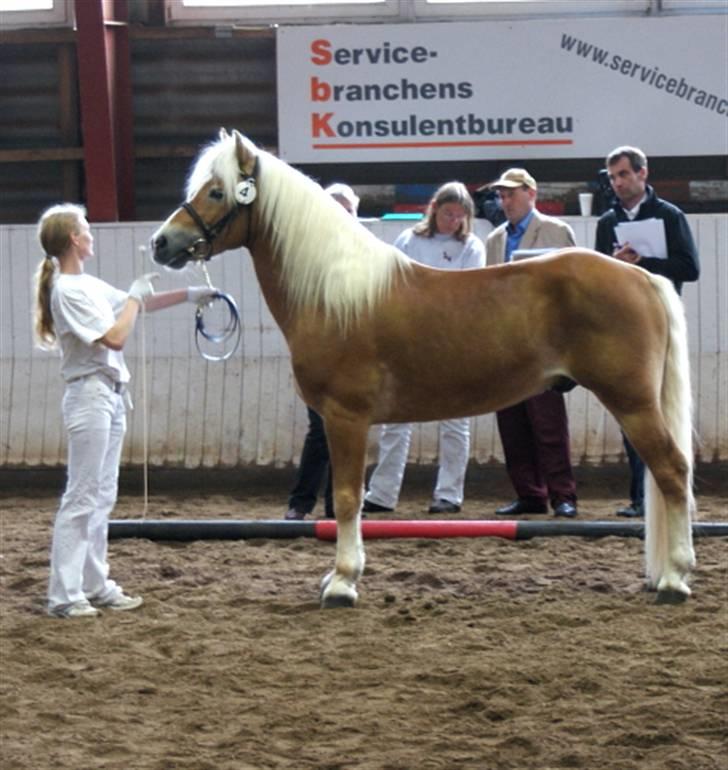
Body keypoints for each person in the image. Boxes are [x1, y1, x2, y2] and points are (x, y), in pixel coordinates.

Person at [34, 203, 218, 618]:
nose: (91, 234)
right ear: (73, 240)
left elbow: (138, 305)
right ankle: (64, 594)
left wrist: (189, 296)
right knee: (82, 494)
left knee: (102, 495)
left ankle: (95, 584)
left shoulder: (87, 284)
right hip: (90, 395)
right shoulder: (67, 290)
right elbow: (116, 336)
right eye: (86, 229)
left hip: (111, 394)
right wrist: (135, 296)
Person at [362, 182, 486, 515]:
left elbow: (470, 294)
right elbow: (392, 283)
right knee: (396, 419)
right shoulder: (409, 240)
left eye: (459, 216)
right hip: (409, 338)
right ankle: (382, 493)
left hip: (453, 340)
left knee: (454, 421)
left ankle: (449, 494)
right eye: (448, 214)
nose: (453, 221)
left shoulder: (471, 246)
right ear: (434, 210)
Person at [595, 145, 699, 518]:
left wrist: (644, 263)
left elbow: (690, 268)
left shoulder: (669, 215)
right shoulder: (607, 221)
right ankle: (640, 497)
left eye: (624, 174)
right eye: (613, 177)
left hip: (661, 321)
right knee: (630, 408)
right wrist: (616, 266)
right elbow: (598, 274)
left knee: (661, 409)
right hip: (622, 326)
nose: (618, 183)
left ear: (643, 173)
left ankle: (668, 490)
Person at [485, 168, 578, 519]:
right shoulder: (495, 239)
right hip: (506, 341)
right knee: (513, 425)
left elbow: (571, 286)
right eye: (502, 195)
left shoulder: (556, 231)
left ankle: (562, 494)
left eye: (511, 194)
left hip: (544, 342)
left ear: (531, 193)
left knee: (548, 424)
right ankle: (530, 493)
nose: (505, 200)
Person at [284, 183, 360, 521]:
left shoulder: (365, 253)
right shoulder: (307, 256)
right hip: (324, 354)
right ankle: (302, 502)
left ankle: (329, 505)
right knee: (321, 430)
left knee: (344, 431)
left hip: (356, 353)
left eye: (348, 210)